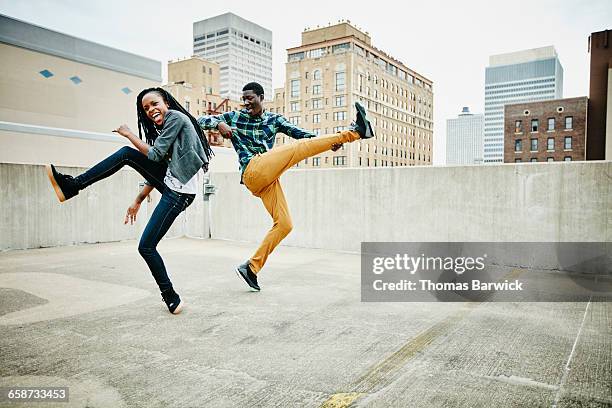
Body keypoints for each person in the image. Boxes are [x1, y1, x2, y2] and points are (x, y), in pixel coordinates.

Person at [45, 87, 213, 314]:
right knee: (127, 154)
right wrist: (138, 200)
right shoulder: (169, 127)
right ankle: (72, 187)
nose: (151, 110)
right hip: (175, 187)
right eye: (146, 108)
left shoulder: (175, 118)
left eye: (155, 104)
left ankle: (171, 297)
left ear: (167, 103)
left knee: (146, 246)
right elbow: (162, 170)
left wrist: (128, 133)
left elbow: (154, 157)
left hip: (179, 194)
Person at [198, 82, 374, 291]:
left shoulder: (274, 120)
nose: (246, 103)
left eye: (250, 98)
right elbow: (199, 121)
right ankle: (355, 133)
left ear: (261, 98)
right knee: (297, 149)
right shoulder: (234, 117)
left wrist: (328, 142)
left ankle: (251, 268)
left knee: (284, 224)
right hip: (252, 170)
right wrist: (218, 124)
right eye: (243, 99)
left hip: (266, 180)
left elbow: (300, 134)